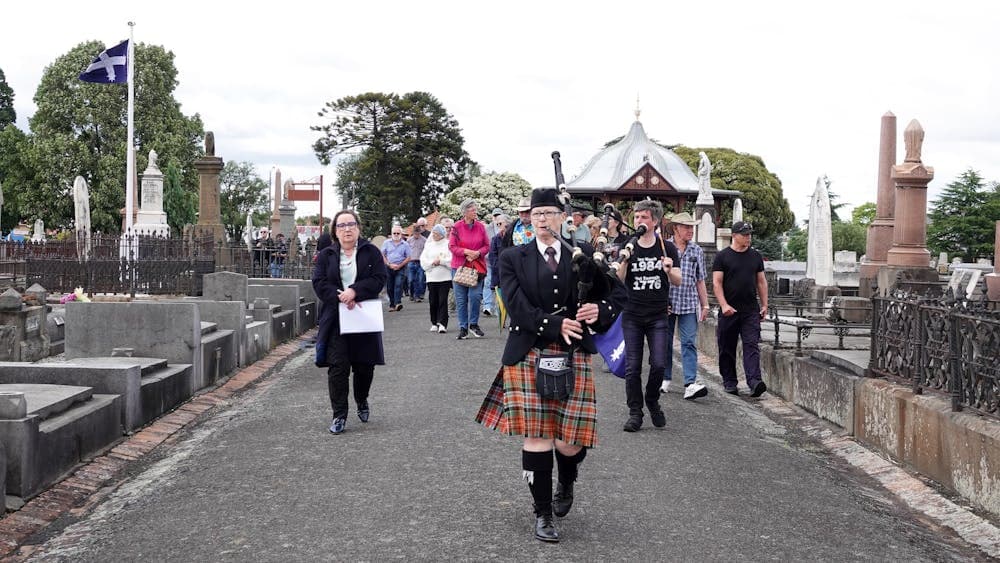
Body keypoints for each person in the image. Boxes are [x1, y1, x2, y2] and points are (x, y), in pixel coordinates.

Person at [475, 188, 626, 543]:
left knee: (570, 443)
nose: (541, 220)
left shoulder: (583, 253)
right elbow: (514, 304)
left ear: (562, 217)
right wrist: (556, 324)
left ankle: (568, 479)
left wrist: (598, 311)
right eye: (536, 214)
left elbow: (617, 294)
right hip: (530, 350)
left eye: (548, 213)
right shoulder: (513, 257)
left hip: (572, 353)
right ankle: (542, 513)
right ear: (529, 218)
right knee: (537, 436)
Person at [312, 210, 388, 434]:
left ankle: (361, 399)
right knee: (338, 367)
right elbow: (319, 282)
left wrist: (355, 291)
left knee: (365, 366)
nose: (347, 229)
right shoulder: (326, 255)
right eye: (341, 225)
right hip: (336, 317)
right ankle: (339, 415)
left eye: (351, 224)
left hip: (363, 317)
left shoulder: (371, 252)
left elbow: (379, 278)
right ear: (335, 231)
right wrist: (341, 296)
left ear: (358, 228)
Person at [615, 199, 681, 432]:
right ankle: (635, 412)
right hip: (632, 314)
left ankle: (652, 400)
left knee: (659, 365)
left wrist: (669, 269)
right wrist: (623, 259)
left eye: (644, 217)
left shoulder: (667, 247)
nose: (639, 221)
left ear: (655, 221)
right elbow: (619, 280)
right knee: (633, 366)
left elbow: (678, 280)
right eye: (636, 217)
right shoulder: (628, 244)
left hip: (658, 315)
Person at [712, 221, 769, 397]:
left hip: (750, 309)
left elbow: (761, 281)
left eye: (749, 234)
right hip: (729, 310)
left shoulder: (755, 256)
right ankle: (730, 381)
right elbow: (717, 282)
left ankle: (754, 382)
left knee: (751, 344)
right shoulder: (722, 256)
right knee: (727, 346)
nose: (748, 237)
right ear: (734, 235)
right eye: (744, 234)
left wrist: (765, 304)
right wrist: (723, 304)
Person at [661, 212, 709, 400]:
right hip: (668, 302)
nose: (690, 230)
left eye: (692, 227)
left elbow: (700, 280)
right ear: (676, 228)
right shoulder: (665, 248)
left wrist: (705, 305)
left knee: (689, 342)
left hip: (689, 302)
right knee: (664, 342)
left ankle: (690, 382)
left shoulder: (697, 250)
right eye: (686, 227)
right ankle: (665, 378)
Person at [449, 199, 490, 340]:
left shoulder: (480, 227)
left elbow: (487, 246)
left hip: (476, 267)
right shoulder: (456, 227)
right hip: (459, 267)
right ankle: (463, 327)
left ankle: (474, 324)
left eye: (475, 209)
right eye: (473, 210)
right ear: (465, 212)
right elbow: (452, 247)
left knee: (475, 296)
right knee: (461, 299)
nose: (475, 212)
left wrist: (478, 253)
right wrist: (466, 252)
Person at [420, 224, 453, 333]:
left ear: (442, 234)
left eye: (437, 234)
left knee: (443, 300)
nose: (434, 235)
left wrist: (442, 262)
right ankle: (434, 322)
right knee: (433, 300)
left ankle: (443, 323)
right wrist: (432, 263)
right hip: (431, 277)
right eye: (433, 233)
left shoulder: (448, 244)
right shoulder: (428, 245)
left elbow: (451, 260)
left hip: (445, 277)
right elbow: (423, 261)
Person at [381, 224, 411, 312]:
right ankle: (392, 304)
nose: (396, 235)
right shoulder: (386, 243)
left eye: (398, 233)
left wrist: (400, 265)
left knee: (398, 285)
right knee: (390, 286)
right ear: (391, 233)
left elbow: (409, 257)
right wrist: (388, 264)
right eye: (394, 233)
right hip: (389, 267)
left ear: (401, 234)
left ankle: (398, 303)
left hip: (401, 267)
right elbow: (382, 254)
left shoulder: (405, 244)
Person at [482, 207, 504, 317]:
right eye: (495, 215)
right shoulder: (487, 229)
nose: (496, 217)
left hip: (502, 262)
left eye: (498, 215)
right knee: (488, 282)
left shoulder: (506, 227)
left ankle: (498, 308)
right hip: (488, 260)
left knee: (499, 286)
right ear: (492, 217)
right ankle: (487, 306)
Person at [407, 218, 428, 303]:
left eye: (418, 233)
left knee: (420, 279)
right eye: (415, 233)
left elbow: (426, 251)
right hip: (411, 262)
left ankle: (417, 296)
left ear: (420, 232)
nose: (416, 235)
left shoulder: (424, 240)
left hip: (420, 262)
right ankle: (412, 294)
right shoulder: (409, 240)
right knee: (411, 280)